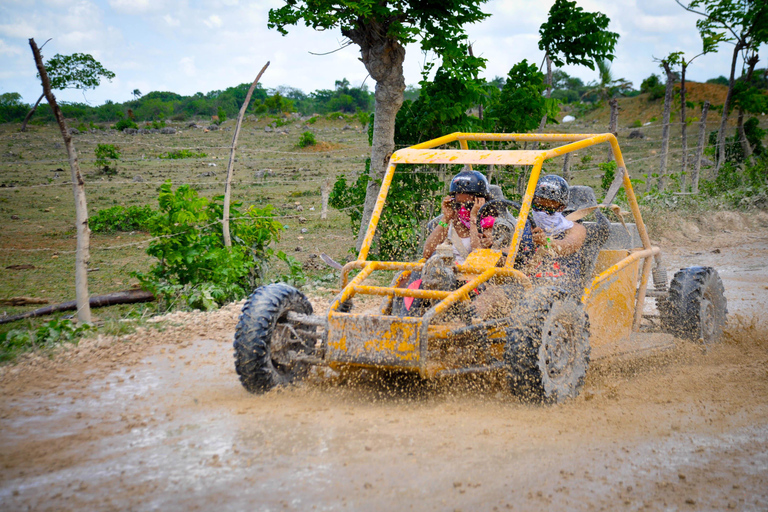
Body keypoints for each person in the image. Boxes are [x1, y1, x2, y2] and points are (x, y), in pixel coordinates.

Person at [526, 175, 586, 291]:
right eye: (538, 206)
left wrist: (547, 241)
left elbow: (568, 245)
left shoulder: (575, 228)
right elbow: (507, 254)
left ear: (561, 208)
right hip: (525, 285)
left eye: (549, 209)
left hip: (562, 288)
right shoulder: (521, 227)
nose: (543, 212)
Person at [423, 169, 493, 265]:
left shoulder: (488, 225)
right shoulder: (449, 222)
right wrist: (446, 218)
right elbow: (427, 253)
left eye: (468, 205)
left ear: (480, 201)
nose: (462, 209)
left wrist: (474, 218)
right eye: (458, 205)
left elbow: (477, 259)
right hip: (445, 271)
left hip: (470, 273)